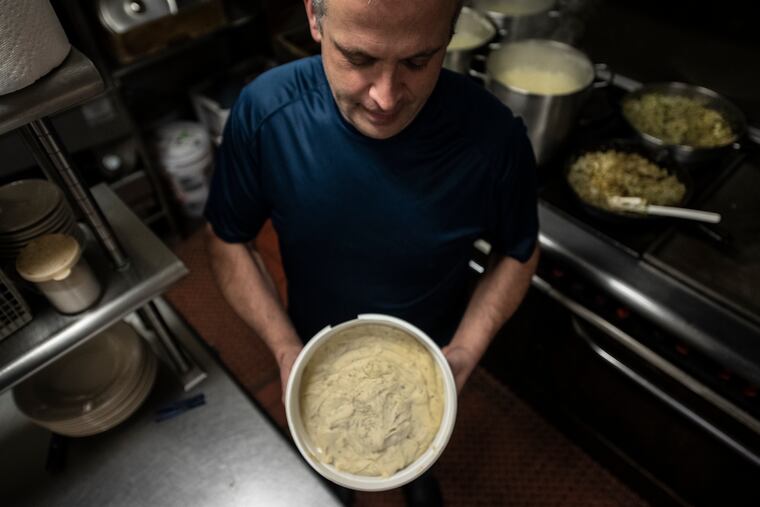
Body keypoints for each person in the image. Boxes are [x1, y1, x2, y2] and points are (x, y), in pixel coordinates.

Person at [204, 0, 539, 503]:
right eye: (359, 60)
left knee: (415, 455)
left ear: (449, 35)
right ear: (315, 18)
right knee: (329, 480)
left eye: (418, 62)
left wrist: (467, 348)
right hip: (311, 336)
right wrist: (284, 347)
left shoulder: (494, 140)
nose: (385, 98)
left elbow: (519, 250)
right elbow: (228, 240)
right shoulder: (267, 113)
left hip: (433, 346)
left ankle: (419, 478)